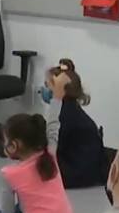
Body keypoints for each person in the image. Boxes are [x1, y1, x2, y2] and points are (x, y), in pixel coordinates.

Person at [0, 110, 74, 213]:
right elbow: (53, 127)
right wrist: (57, 98)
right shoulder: (50, 155)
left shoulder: (9, 173)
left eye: (5, 141)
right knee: (24, 202)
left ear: (15, 145)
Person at [45, 59, 108, 189]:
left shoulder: (64, 115)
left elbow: (53, 147)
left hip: (76, 175)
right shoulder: (71, 108)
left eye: (48, 85)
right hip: (89, 169)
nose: (44, 89)